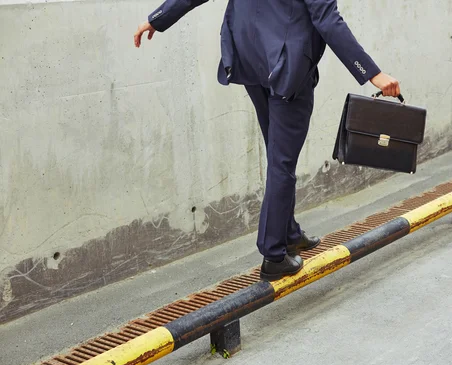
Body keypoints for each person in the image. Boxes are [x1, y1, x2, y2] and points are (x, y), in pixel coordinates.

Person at [134, 0, 400, 281]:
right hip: (288, 68)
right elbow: (327, 20)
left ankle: (289, 234)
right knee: (281, 163)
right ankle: (273, 255)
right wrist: (373, 74)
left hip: (251, 59)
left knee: (277, 154)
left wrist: (157, 18)